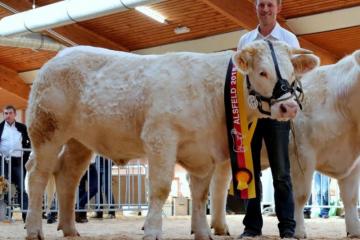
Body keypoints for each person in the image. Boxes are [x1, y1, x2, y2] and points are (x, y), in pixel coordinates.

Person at [237, 0, 299, 238]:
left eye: (270, 5)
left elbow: (294, 78)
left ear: (278, 7)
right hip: (251, 113)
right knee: (250, 170)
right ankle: (252, 226)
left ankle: (287, 228)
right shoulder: (245, 41)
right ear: (256, 7)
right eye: (261, 4)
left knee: (281, 172)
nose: (265, 9)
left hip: (277, 113)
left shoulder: (289, 40)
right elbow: (240, 79)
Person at [0, 105, 31, 222]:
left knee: (21, 188)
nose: (7, 116)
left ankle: (26, 216)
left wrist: (26, 158)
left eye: (10, 113)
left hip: (18, 161)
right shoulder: (0, 128)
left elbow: (29, 143)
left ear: (15, 114)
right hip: (3, 162)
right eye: (5, 113)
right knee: (4, 188)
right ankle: (7, 215)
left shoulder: (22, 128)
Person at [75, 155, 99, 223]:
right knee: (81, 190)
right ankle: (81, 215)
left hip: (91, 165)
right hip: (80, 165)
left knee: (94, 188)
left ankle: (78, 207)